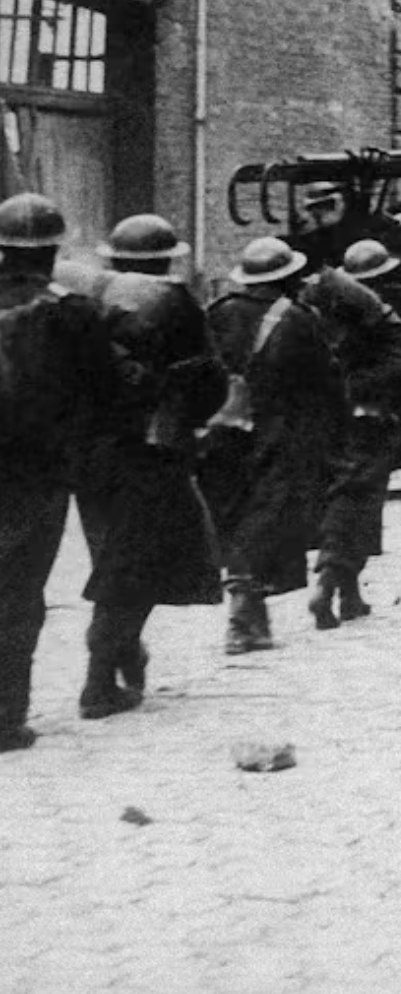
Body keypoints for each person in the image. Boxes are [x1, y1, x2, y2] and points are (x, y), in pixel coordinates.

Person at [71, 214, 224, 718]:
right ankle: (101, 680)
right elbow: (209, 380)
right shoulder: (177, 304)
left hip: (93, 455)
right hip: (154, 453)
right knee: (136, 564)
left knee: (113, 557)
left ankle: (121, 655)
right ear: (166, 259)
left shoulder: (90, 299)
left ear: (113, 257)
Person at [0, 193, 120, 750]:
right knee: (20, 591)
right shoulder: (72, 312)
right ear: (53, 250)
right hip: (37, 473)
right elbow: (108, 392)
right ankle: (5, 717)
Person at [201, 237, 348, 654]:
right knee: (267, 519)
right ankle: (243, 619)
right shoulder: (300, 320)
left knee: (237, 516)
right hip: (280, 434)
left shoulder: (217, 314)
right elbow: (327, 380)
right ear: (288, 278)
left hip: (224, 431)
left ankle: (252, 618)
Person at [301, 240, 401, 627]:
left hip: (333, 421)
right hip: (371, 421)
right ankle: (329, 580)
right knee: (360, 501)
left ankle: (350, 596)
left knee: (343, 494)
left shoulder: (330, 322)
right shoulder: (381, 326)